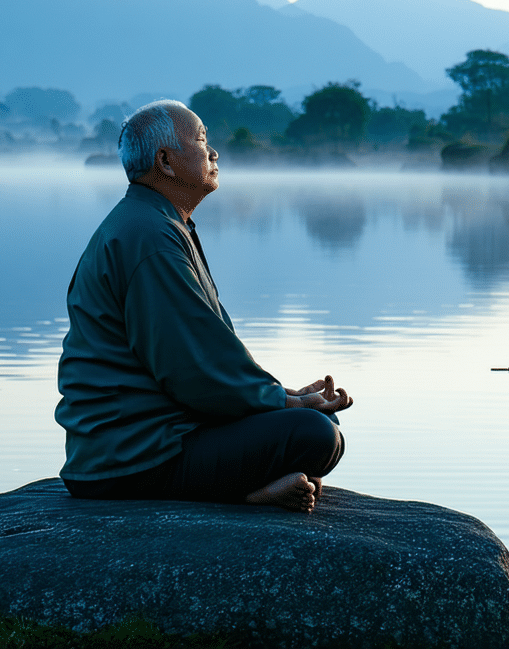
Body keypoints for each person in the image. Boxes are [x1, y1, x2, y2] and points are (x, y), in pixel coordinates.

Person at [56, 100, 352, 513]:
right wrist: (287, 404)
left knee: (322, 426)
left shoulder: (156, 222)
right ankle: (244, 495)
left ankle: (254, 483)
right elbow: (191, 369)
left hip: (151, 442)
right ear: (166, 162)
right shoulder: (149, 236)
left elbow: (205, 355)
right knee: (313, 434)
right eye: (200, 140)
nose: (213, 153)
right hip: (129, 458)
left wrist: (283, 395)